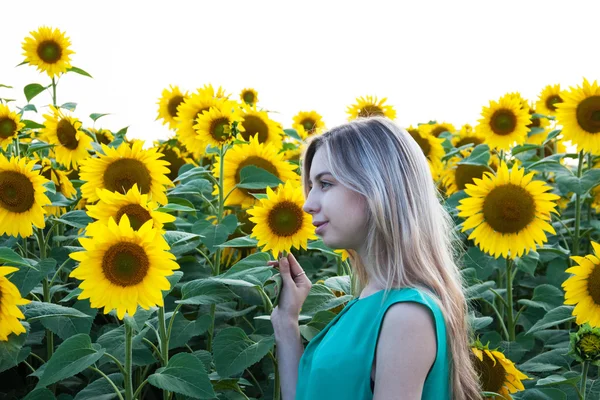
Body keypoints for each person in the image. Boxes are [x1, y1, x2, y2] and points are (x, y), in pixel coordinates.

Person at [268, 117, 482, 399]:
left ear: (377, 186)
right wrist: (287, 321)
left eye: (326, 184)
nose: (308, 204)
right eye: (312, 185)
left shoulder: (405, 314)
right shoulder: (372, 301)